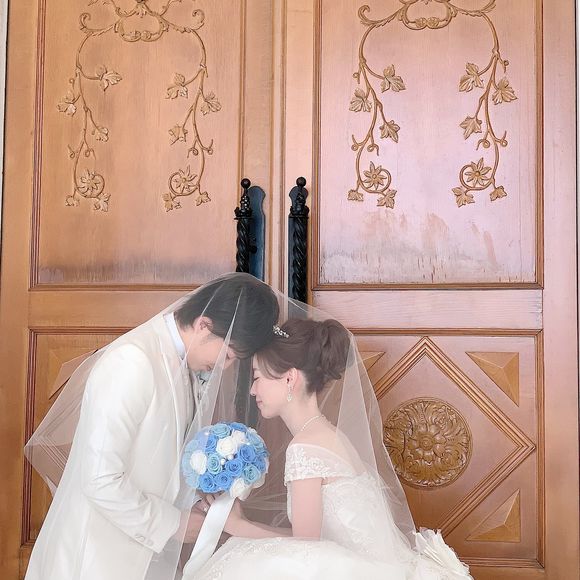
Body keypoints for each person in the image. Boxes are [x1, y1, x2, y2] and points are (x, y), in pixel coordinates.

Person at [24, 273, 280, 580]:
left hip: (139, 556)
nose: (225, 367)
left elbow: (158, 461)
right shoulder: (132, 361)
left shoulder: (182, 363)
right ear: (204, 325)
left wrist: (195, 502)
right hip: (94, 556)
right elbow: (99, 478)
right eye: (227, 355)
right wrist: (173, 524)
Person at [189, 317, 473, 580]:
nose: (252, 391)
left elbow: (306, 548)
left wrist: (238, 527)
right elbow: (309, 539)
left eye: (257, 377)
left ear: (289, 378)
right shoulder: (326, 434)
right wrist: (241, 524)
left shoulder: (305, 446)